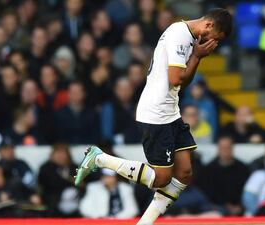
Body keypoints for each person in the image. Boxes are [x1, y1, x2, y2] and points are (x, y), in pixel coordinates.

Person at [74, 8, 232, 225]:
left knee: (184, 173)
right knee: (162, 179)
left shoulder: (188, 37)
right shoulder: (180, 35)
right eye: (215, 39)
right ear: (209, 26)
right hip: (156, 114)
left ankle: (145, 223)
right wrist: (197, 55)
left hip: (170, 111)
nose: (213, 44)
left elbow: (183, 82)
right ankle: (99, 158)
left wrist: (196, 56)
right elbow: (176, 78)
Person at [200, 136, 249, 216]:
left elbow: (247, 190)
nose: (225, 150)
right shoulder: (208, 170)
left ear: (232, 149)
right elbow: (207, 193)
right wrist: (226, 206)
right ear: (218, 149)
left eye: (228, 147)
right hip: (216, 208)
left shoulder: (243, 169)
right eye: (222, 147)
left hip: (240, 207)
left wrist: (240, 205)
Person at [38, 143, 79, 217]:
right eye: (58, 153)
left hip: (74, 204)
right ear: (52, 155)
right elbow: (45, 184)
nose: (60, 156)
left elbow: (81, 185)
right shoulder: (45, 168)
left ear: (68, 155)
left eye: (63, 153)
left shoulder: (75, 168)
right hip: (53, 203)